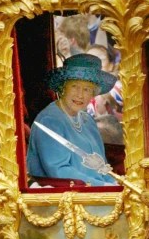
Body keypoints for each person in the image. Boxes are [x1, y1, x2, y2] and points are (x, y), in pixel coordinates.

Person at [27, 53, 118, 186]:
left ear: (93, 94)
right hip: (66, 198)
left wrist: (115, 183)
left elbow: (101, 167)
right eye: (75, 86)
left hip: (96, 193)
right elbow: (59, 171)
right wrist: (102, 186)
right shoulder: (50, 120)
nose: (80, 95)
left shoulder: (88, 121)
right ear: (63, 87)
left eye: (87, 89)